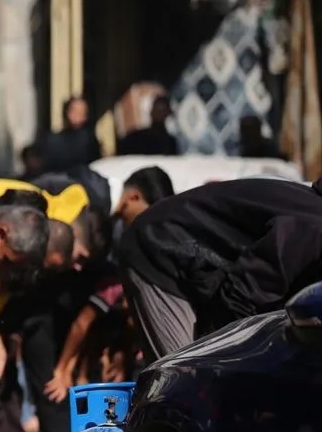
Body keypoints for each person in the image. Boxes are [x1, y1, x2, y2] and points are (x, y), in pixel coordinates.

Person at [120, 178, 322, 360]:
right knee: (184, 383)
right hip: (160, 250)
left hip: (204, 273)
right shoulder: (312, 226)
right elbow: (244, 293)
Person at [42, 96, 102, 173]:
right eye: (76, 112)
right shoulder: (53, 140)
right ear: (67, 113)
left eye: (83, 113)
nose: (80, 116)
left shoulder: (89, 139)